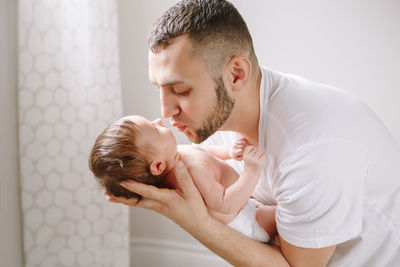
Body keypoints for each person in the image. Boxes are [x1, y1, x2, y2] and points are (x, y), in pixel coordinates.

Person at [107, 0, 400, 266]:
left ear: (236, 74)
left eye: (180, 90)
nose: (166, 111)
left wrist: (191, 220)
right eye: (158, 88)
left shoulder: (314, 145)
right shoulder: (219, 116)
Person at [89, 115, 277, 243]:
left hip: (250, 206)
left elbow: (202, 152)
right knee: (289, 215)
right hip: (249, 220)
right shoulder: (191, 173)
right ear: (157, 166)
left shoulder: (174, 154)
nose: (158, 121)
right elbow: (225, 203)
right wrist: (251, 171)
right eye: (155, 129)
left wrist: (227, 152)